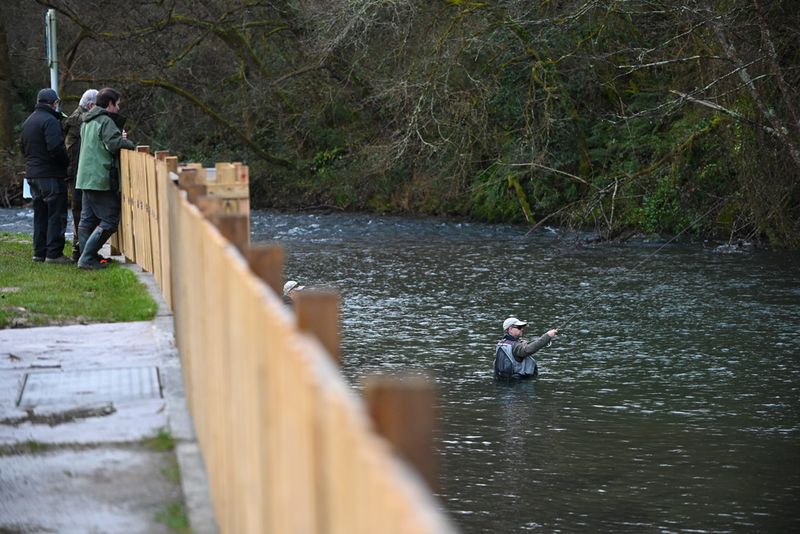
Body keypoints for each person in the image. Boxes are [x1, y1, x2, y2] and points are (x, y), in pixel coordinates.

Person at [75, 87, 135, 269]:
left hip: (84, 177)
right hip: (100, 177)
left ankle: (88, 257)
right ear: (109, 104)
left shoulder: (86, 121)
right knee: (109, 220)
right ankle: (86, 258)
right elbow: (114, 144)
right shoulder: (105, 121)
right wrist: (129, 143)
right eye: (117, 104)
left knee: (87, 219)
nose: (118, 108)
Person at [20, 88, 72, 263]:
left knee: (40, 215)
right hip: (50, 175)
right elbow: (56, 148)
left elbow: (23, 148)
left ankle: (39, 253)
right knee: (56, 214)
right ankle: (54, 254)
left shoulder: (28, 121)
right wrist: (66, 163)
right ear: (54, 103)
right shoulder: (50, 121)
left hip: (32, 174)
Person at [63, 88, 98, 261]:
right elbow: (75, 152)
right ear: (90, 105)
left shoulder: (77, 118)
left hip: (76, 173)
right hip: (77, 174)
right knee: (80, 213)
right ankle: (81, 252)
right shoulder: (80, 120)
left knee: (81, 212)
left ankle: (81, 250)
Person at [493, 317, 558, 380]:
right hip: (519, 385)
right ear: (510, 329)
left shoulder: (501, 343)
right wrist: (548, 336)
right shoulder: (516, 347)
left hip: (504, 382)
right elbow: (528, 349)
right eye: (519, 327)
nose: (522, 329)